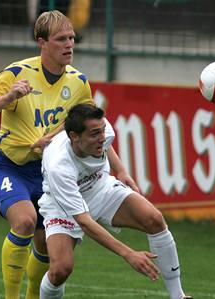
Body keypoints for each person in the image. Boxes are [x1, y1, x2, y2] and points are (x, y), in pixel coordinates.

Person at [0, 10, 134, 299]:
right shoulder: (17, 73)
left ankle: (33, 295)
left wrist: (120, 170)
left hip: (47, 173)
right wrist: (9, 98)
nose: (69, 44)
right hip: (8, 165)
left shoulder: (78, 82)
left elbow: (96, 131)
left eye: (71, 38)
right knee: (24, 220)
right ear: (41, 42)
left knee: (45, 241)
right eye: (61, 39)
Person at [38, 104, 193, 299]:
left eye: (102, 131)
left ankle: (178, 296)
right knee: (60, 270)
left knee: (154, 219)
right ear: (74, 137)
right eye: (95, 134)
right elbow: (84, 221)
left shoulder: (103, 130)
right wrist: (128, 253)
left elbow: (107, 144)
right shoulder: (59, 166)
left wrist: (120, 170)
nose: (102, 137)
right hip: (62, 208)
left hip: (102, 189)